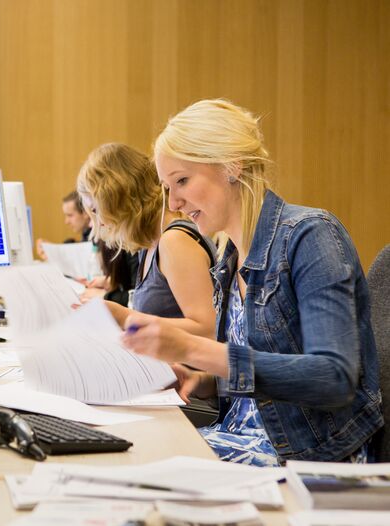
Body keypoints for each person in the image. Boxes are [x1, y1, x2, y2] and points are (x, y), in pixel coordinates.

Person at [124, 99, 383, 465]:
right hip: (242, 440)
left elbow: (333, 378)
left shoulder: (310, 236)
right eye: (167, 187)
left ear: (232, 165)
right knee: (124, 452)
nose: (175, 202)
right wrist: (207, 380)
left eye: (181, 180)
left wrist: (197, 352)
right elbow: (268, 371)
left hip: (310, 458)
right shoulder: (229, 258)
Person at [77, 143, 216, 338]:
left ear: (116, 199)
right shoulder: (151, 243)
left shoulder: (175, 241)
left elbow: (208, 330)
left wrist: (125, 317)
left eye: (95, 210)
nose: (98, 223)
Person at [35, 190, 93, 260]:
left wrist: (55, 252)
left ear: (86, 213)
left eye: (70, 215)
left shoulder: (98, 239)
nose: (66, 222)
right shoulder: (87, 235)